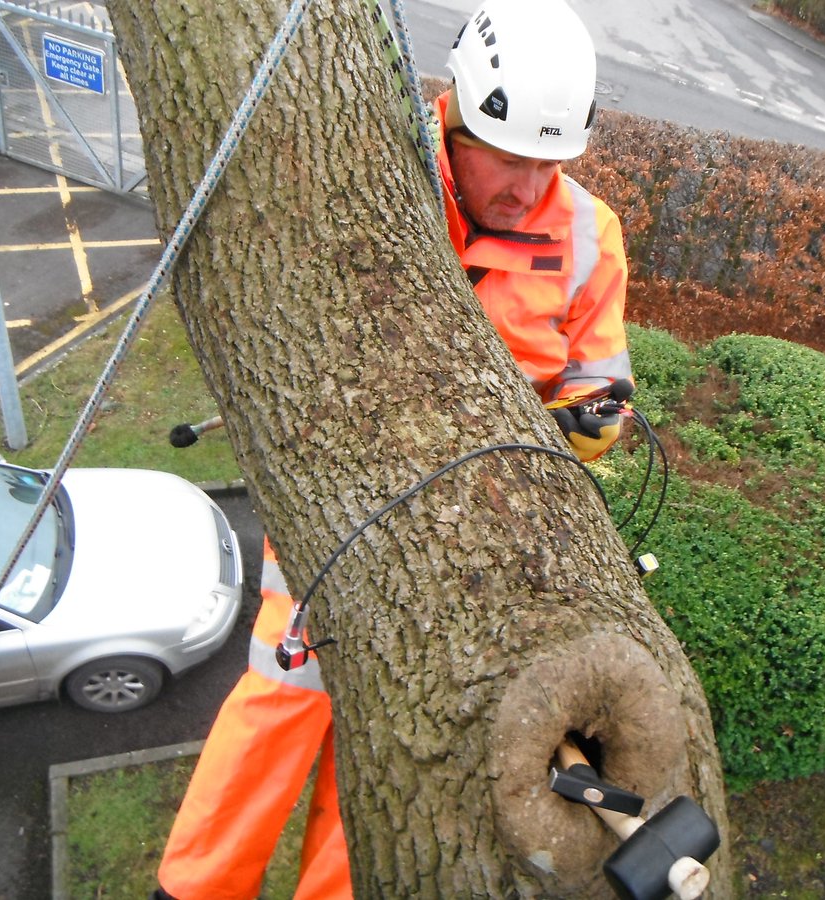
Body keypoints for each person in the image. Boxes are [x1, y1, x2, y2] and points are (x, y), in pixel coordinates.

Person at [153, 1, 631, 897]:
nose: (529, 186)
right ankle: (193, 887)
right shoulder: (377, 171)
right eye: (509, 158)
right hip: (336, 508)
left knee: (390, 742)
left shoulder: (585, 234)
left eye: (549, 163)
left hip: (473, 541)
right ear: (457, 117)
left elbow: (601, 383)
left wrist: (587, 426)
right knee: (283, 700)